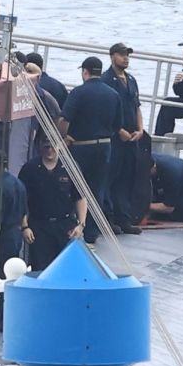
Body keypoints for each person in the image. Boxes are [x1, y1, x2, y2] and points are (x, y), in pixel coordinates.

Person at [60, 56, 122, 243]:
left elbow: (65, 119)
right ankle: (92, 233)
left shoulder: (78, 93)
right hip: (104, 146)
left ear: (84, 72)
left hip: (80, 146)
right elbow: (118, 124)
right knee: (97, 189)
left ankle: (75, 226)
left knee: (76, 187)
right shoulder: (113, 94)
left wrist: (63, 137)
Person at [18, 138, 87, 270]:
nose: (50, 150)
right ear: (39, 146)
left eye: (53, 146)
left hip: (65, 225)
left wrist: (81, 225)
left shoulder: (70, 167)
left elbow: (80, 197)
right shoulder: (30, 168)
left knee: (67, 268)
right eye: (46, 146)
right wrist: (24, 227)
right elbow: (22, 200)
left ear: (60, 145)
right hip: (39, 226)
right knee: (41, 269)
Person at [101, 43, 144, 235]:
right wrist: (119, 130)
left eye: (127, 55)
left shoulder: (132, 80)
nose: (125, 58)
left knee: (127, 178)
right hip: (115, 138)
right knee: (111, 177)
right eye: (121, 55)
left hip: (132, 137)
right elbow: (106, 111)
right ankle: (108, 218)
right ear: (112, 56)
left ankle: (124, 218)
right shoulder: (106, 80)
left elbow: (136, 106)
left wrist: (140, 129)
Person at [0, 150, 28, 268]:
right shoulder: (19, 184)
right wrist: (24, 227)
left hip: (4, 237)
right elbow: (24, 211)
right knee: (12, 269)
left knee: (0, 271)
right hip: (17, 236)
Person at [151, 154, 183, 224]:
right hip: (165, 176)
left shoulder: (171, 173)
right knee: (157, 212)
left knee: (180, 214)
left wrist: (145, 206)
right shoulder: (145, 159)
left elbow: (169, 208)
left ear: (154, 166)